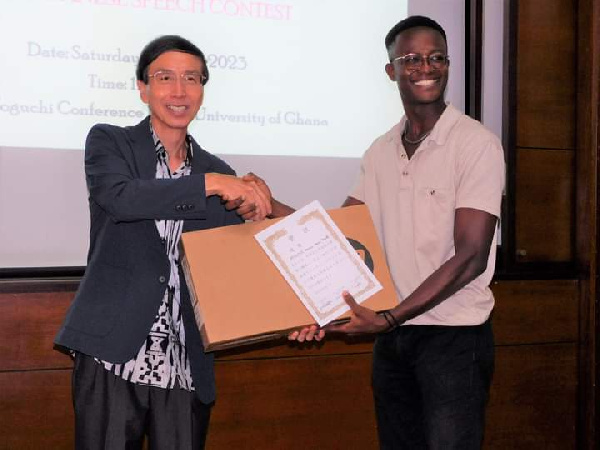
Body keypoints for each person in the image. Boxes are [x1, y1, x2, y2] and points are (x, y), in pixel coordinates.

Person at [257, 15, 505, 450]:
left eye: (436, 58)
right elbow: (341, 236)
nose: (425, 68)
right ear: (391, 71)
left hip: (453, 338)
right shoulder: (380, 150)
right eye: (411, 59)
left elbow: (471, 256)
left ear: (447, 65)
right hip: (393, 340)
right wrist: (267, 204)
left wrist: (390, 317)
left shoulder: (476, 144)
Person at [54, 35, 270, 449]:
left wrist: (256, 210)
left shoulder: (218, 170)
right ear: (142, 87)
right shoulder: (110, 142)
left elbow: (237, 259)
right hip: (113, 351)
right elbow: (121, 198)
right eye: (165, 77)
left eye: (192, 78)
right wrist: (209, 184)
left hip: (186, 358)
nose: (179, 91)